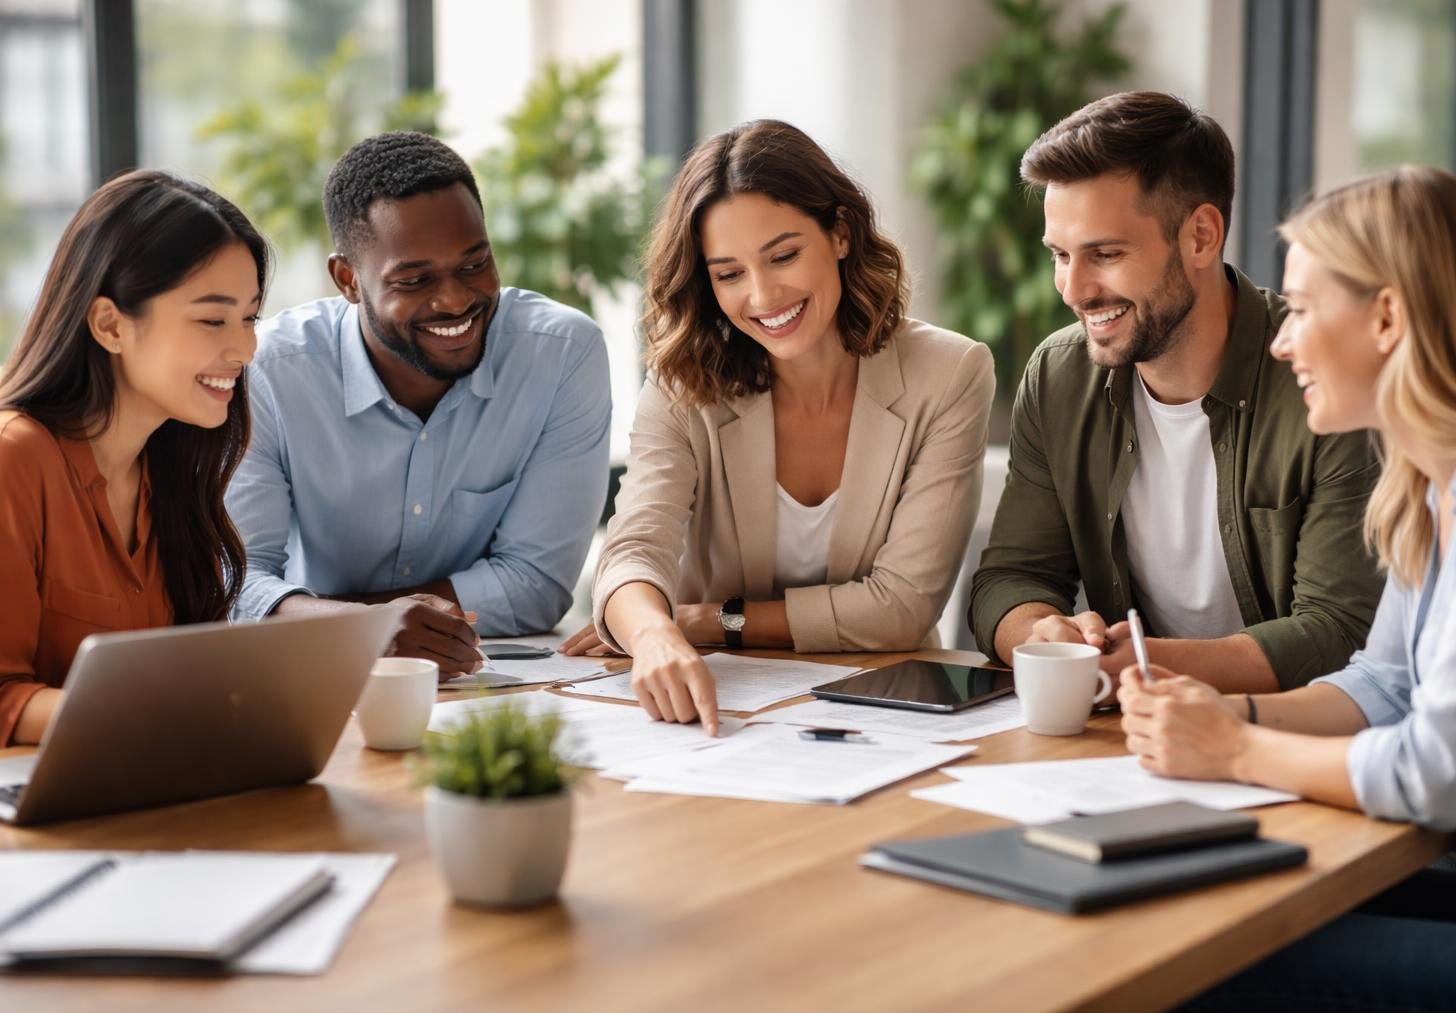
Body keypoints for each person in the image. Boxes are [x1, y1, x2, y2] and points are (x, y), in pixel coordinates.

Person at [1122, 166, 1456, 1013]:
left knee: (1192, 972)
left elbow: (1439, 775)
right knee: (1186, 917)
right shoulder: (1437, 478)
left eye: (1303, 310)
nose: (1280, 341)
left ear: (1387, 315)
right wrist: (1223, 713)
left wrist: (1233, 753)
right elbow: (1387, 684)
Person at [561, 120, 994, 734]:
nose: (763, 296)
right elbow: (633, 551)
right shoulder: (684, 383)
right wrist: (655, 633)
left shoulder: (949, 373)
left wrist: (703, 621)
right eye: (729, 273)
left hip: (893, 704)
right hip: (723, 709)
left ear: (840, 233)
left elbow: (899, 608)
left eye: (783, 255)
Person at [969, 91, 1382, 694]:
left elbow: (1340, 632)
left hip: (1290, 742)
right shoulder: (1060, 376)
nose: (1073, 290)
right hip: (1132, 735)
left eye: (1105, 254)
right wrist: (1044, 635)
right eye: (1061, 255)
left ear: (1201, 236)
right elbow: (1008, 579)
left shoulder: (1322, 382)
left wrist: (1141, 663)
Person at [227, 131, 612, 681]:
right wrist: (362, 629)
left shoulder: (562, 355)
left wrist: (340, 616)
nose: (456, 300)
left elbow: (536, 586)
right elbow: (235, 584)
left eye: (474, 264)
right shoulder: (270, 373)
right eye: (415, 279)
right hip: (318, 680)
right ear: (347, 280)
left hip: (490, 685)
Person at [0, 171, 266, 745]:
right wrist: (159, 712)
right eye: (212, 319)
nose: (245, 348)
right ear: (110, 325)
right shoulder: (14, 459)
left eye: (250, 317)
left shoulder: (170, 468)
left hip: (144, 797)